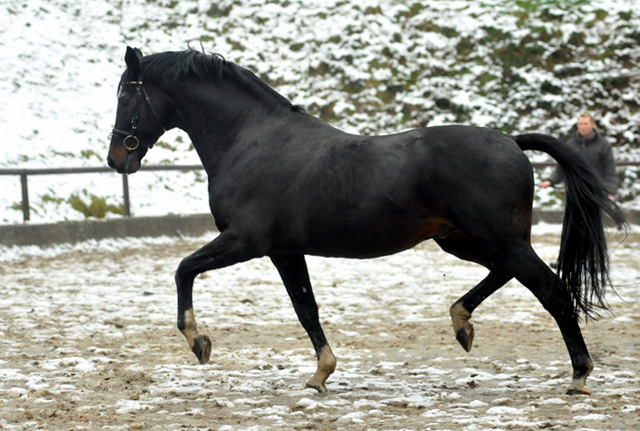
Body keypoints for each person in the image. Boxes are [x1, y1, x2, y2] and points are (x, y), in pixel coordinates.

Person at [541, 112, 617, 202]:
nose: (583, 127)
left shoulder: (603, 145)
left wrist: (610, 192)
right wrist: (551, 180)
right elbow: (562, 165)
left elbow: (610, 171)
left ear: (592, 125)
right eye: (580, 124)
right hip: (574, 191)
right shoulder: (571, 144)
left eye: (586, 124)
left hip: (596, 191)